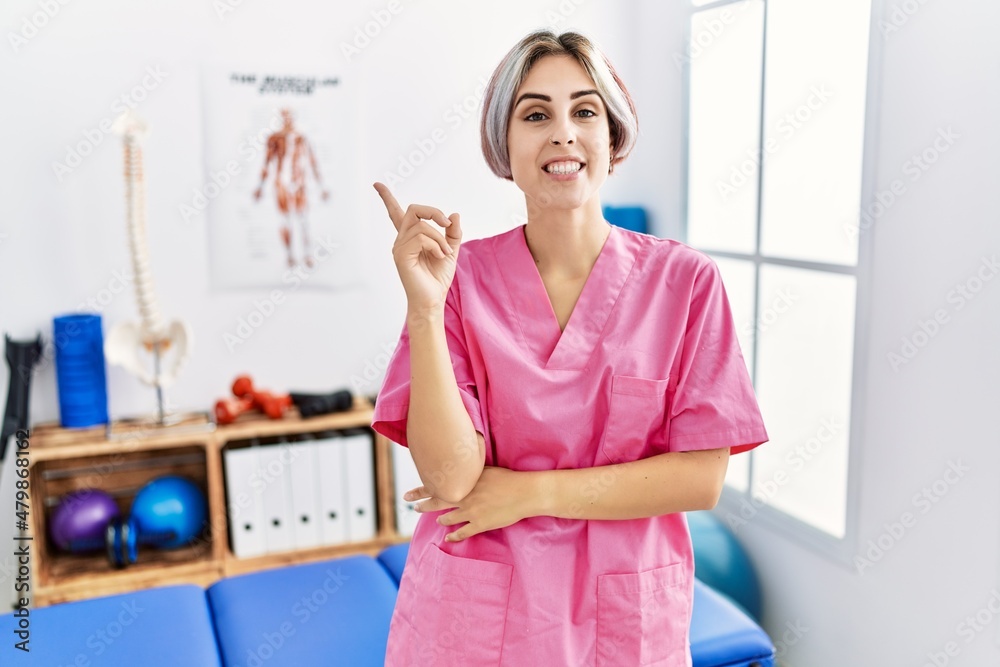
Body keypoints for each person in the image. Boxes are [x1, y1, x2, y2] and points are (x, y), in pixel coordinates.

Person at [371, 28, 768, 667]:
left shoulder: (687, 284)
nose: (562, 132)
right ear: (505, 142)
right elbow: (449, 478)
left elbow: (701, 478)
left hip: (621, 619)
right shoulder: (457, 280)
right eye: (535, 114)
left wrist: (531, 494)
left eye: (584, 111)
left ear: (613, 136)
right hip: (475, 618)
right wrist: (422, 304)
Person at [252, 108, 330, 267]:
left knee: (303, 220)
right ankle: (289, 256)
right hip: (281, 183)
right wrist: (260, 186)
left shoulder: (301, 138)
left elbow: (312, 161)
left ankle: (307, 255)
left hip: (299, 183)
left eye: (290, 117)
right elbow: (266, 163)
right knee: (286, 221)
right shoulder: (274, 138)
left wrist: (321, 186)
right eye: (284, 117)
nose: (288, 120)